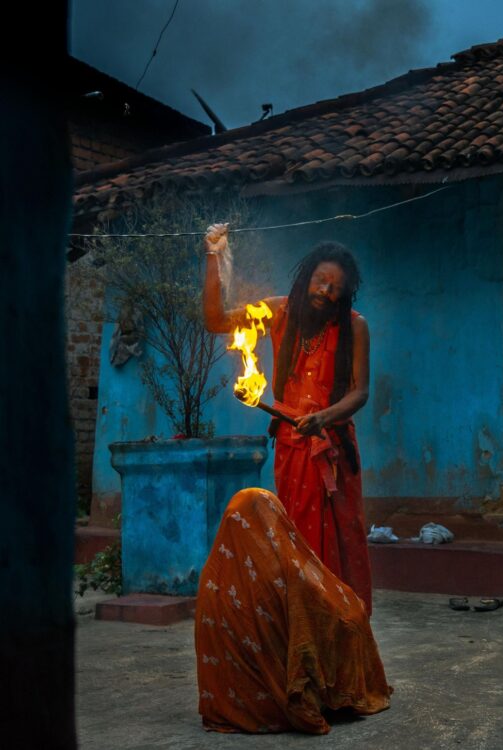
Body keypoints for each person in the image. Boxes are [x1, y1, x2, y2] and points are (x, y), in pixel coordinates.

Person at [203, 224, 374, 613]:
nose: (325, 292)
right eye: (320, 281)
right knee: (296, 541)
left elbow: (360, 392)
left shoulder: (356, 326)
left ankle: (344, 631)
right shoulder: (278, 312)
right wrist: (214, 256)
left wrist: (324, 418)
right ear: (307, 277)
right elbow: (215, 321)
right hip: (293, 449)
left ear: (345, 293)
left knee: (343, 546)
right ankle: (301, 627)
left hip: (333, 452)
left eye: (335, 287)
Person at [195, 487, 390, 733]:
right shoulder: (279, 567)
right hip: (274, 705)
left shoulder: (211, 574)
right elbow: (322, 604)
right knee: (347, 619)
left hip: (223, 704)